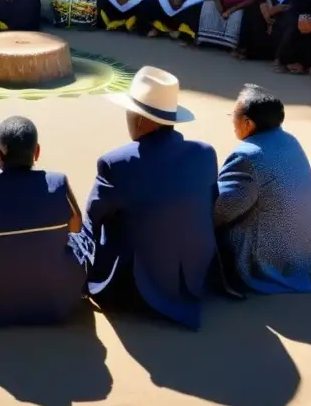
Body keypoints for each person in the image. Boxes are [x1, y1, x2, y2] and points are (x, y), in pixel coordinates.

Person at [83, 66, 217, 329]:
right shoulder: (205, 153)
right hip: (195, 276)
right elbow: (211, 205)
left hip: (141, 287)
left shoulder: (116, 162)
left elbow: (91, 220)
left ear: (143, 120)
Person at [0, 116, 89, 326]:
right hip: (57, 304)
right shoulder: (57, 183)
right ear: (37, 151)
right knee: (81, 240)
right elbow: (76, 226)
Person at [214, 85, 311, 294]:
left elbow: (221, 211)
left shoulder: (247, 156)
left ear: (247, 123)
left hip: (267, 261)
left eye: (233, 115)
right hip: (304, 255)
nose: (231, 120)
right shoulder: (290, 140)